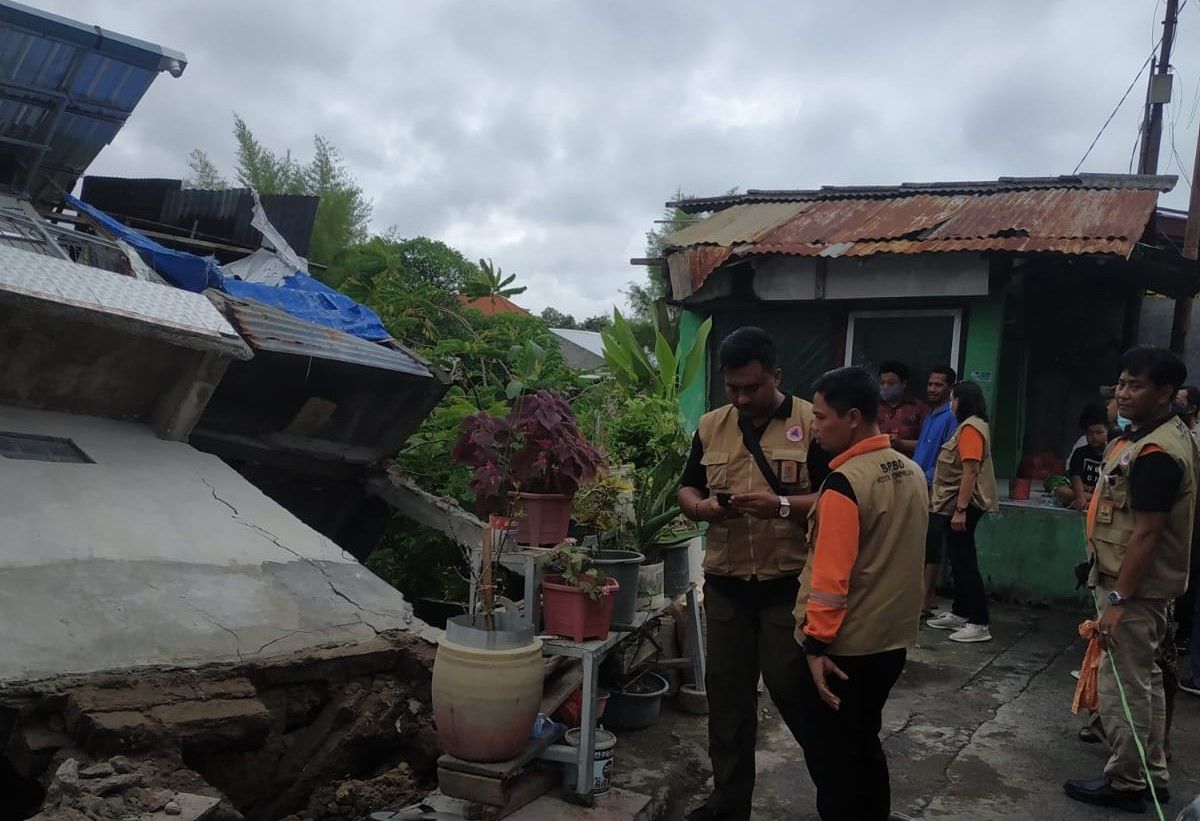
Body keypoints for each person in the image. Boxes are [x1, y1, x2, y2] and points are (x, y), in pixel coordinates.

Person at [678, 326, 825, 821]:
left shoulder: (812, 422)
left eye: (752, 388)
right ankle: (729, 799)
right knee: (727, 697)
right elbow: (687, 488)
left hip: (788, 586)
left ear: (776, 376)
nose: (741, 398)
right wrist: (702, 510)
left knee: (795, 690)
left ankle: (839, 791)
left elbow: (836, 500)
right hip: (725, 583)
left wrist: (780, 506)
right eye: (733, 388)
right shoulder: (711, 425)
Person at [1064, 346, 1196, 813]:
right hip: (1137, 584)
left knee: (1122, 682)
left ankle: (1127, 781)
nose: (1122, 393)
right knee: (1148, 680)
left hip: (1134, 589)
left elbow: (1147, 533)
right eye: (1120, 383)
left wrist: (1118, 598)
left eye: (1134, 385)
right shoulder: (1147, 436)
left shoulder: (1158, 451)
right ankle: (1151, 773)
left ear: (1164, 392)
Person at [793, 366, 927, 821]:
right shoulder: (911, 472)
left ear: (852, 417)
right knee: (864, 745)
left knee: (836, 765)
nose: (814, 426)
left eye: (821, 417)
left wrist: (815, 646)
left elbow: (831, 581)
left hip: (845, 651)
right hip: (891, 642)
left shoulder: (844, 485)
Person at [925, 381, 998, 643]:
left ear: (962, 401)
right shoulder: (972, 426)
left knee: (965, 562)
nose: (951, 404)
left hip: (964, 505)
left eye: (953, 399)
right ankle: (960, 612)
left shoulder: (970, 428)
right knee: (957, 560)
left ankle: (979, 622)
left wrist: (960, 510)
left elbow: (970, 470)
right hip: (957, 503)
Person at [913, 365, 959, 615]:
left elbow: (949, 457)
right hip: (918, 484)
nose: (932, 389)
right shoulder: (930, 415)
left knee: (932, 544)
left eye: (939, 385)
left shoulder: (951, 417)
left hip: (935, 488)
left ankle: (926, 598)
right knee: (920, 543)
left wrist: (931, 482)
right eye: (930, 384)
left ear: (950, 388)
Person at [1055, 405, 1110, 510]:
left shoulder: (1113, 453)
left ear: (1107, 431)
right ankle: (1095, 503)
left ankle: (1094, 502)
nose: (1094, 437)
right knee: (1061, 491)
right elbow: (1076, 476)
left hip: (1105, 494)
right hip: (1083, 492)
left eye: (1099, 432)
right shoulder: (1080, 452)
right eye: (1090, 433)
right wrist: (1081, 498)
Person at [877, 361, 926, 457]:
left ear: (903, 384)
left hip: (907, 465)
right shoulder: (872, 407)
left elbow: (927, 444)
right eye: (882, 383)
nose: (885, 387)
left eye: (891, 383)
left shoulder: (918, 408)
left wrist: (901, 444)